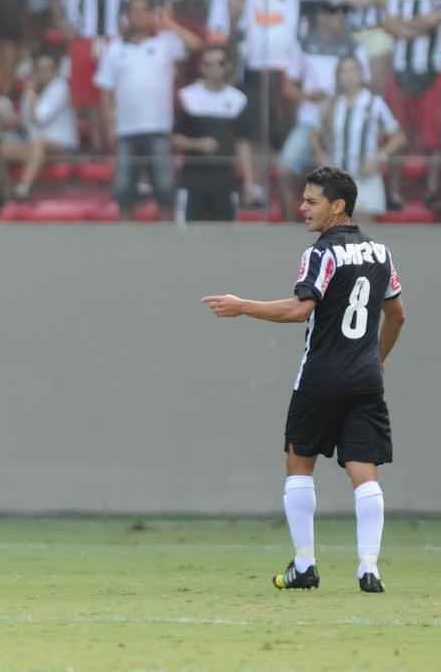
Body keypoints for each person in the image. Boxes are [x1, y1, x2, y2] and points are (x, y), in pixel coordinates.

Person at [203, 165, 406, 595]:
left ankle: (304, 565)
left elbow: (301, 309)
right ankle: (369, 568)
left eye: (312, 201)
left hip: (320, 375)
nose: (303, 208)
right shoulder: (382, 253)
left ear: (338, 206)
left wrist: (243, 305)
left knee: (299, 464)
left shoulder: (320, 253)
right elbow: (398, 315)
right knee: (364, 472)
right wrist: (378, 358)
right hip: (365, 377)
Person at [202, 0, 334, 207]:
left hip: (285, 74)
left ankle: (284, 195)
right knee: (250, 132)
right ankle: (255, 188)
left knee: (282, 135)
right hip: (254, 70)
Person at [54, 0, 151, 151]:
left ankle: (116, 145)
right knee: (87, 96)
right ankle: (96, 146)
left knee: (117, 92)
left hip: (116, 35)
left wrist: (137, 18)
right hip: (84, 34)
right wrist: (62, 21)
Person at [96, 0, 201, 220]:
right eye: (135, 11)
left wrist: (168, 23)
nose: (140, 16)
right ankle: (127, 239)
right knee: (124, 188)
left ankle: (166, 238)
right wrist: (109, 123)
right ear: (127, 16)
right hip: (125, 129)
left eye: (145, 11)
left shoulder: (166, 42)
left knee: (165, 187)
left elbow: (195, 44)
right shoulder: (114, 48)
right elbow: (105, 91)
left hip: (159, 127)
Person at [279, 2, 371, 220]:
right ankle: (289, 225)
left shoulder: (355, 47)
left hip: (344, 123)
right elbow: (288, 87)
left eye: (340, 12)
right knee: (285, 168)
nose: (336, 16)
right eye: (331, 11)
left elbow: (365, 85)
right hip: (309, 120)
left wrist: (337, 98)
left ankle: (340, 229)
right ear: (319, 15)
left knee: (342, 178)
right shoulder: (303, 44)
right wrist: (307, 96)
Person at [383, 0, 441, 203]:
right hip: (400, 71)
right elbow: (389, 23)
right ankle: (395, 193)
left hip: (432, 72)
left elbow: (432, 22)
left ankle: (433, 192)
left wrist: (407, 27)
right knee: (398, 134)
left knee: (433, 136)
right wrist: (416, 26)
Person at [310, 56, 406, 221]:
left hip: (365, 177)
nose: (348, 75)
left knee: (361, 235)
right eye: (343, 71)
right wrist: (322, 157)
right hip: (336, 179)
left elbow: (398, 137)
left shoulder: (374, 104)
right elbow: (314, 134)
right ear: (338, 76)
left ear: (361, 74)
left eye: (353, 70)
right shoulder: (331, 104)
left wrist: (379, 157)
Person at [173, 45, 249, 222]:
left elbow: (243, 142)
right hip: (192, 178)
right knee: (187, 237)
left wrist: (248, 181)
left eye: (220, 63)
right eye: (209, 64)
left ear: (228, 67)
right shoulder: (186, 97)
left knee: (226, 238)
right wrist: (198, 144)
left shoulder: (239, 100)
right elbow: (173, 138)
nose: (215, 68)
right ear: (202, 68)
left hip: (225, 179)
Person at [4, 51, 78, 200]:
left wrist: (31, 94)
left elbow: (39, 118)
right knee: (2, 149)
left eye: (47, 69)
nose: (43, 73)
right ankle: (4, 190)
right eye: (39, 69)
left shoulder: (60, 87)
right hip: (36, 141)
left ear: (55, 70)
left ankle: (23, 188)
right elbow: (25, 120)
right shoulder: (33, 90)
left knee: (39, 144)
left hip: (63, 143)